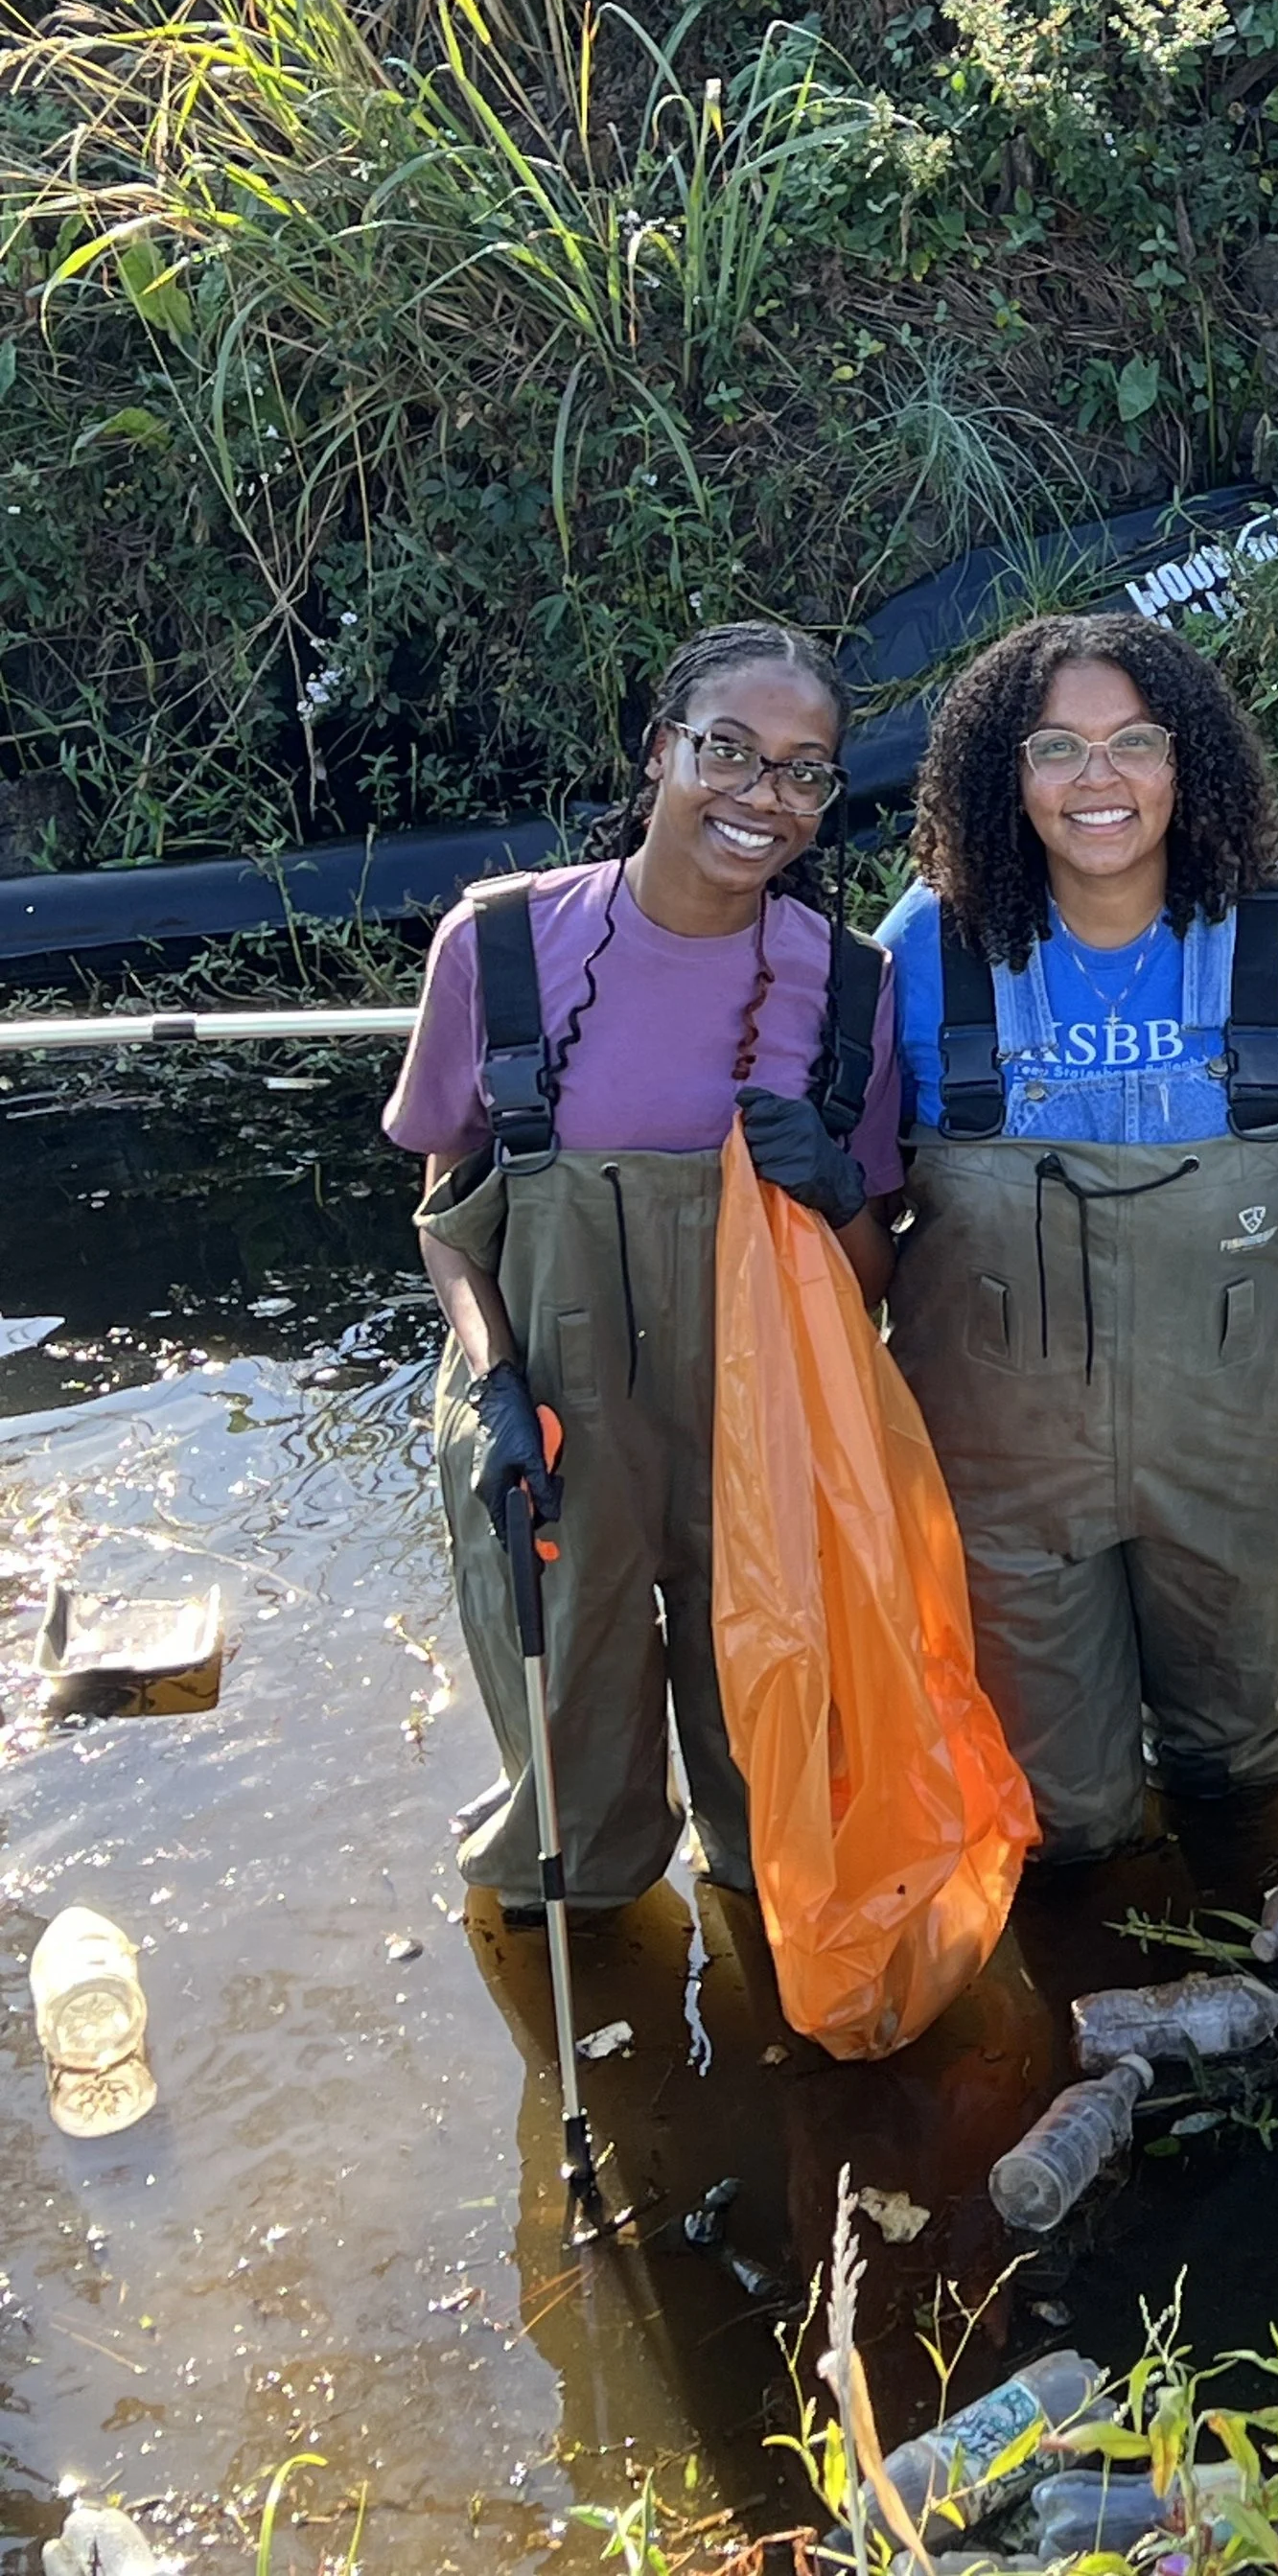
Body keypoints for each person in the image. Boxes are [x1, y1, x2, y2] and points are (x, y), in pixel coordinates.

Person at [385, 621, 904, 1916]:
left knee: (778, 1781)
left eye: (803, 770)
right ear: (661, 749)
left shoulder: (854, 987)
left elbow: (872, 1280)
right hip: (552, 1424)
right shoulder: (495, 950)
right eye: (728, 750)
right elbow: (447, 1219)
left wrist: (837, 1192)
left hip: (760, 1437)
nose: (760, 795)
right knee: (569, 1807)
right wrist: (498, 1391)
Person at [875, 613, 1278, 1865]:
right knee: (1062, 1826)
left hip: (1242, 1450)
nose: (1099, 782)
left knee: (1244, 1775)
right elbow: (860, 1229)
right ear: (1007, 778)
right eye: (1057, 750)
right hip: (1004, 1471)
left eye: (1132, 743)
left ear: (1185, 761)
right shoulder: (922, 952)